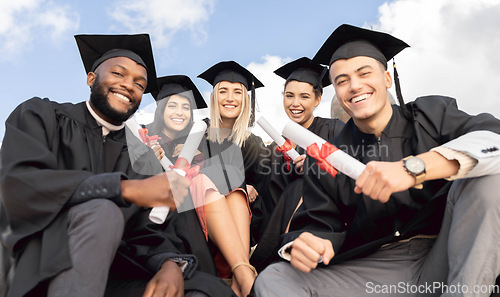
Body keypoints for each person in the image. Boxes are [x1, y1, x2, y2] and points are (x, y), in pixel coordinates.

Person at [254, 24, 500, 297]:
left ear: (386, 78)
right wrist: (308, 243)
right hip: (376, 270)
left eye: (364, 73)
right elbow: (318, 223)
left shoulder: (431, 116)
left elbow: (494, 140)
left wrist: (414, 168)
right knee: (276, 278)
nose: (355, 86)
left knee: (491, 178)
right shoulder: (328, 156)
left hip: (451, 248)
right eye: (342, 80)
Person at [0, 34, 234, 297]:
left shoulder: (141, 156)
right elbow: (21, 183)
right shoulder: (42, 116)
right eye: (118, 74)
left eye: (139, 83)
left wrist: (169, 263)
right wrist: (123, 189)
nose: (128, 86)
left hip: (116, 270)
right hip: (41, 261)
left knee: (206, 289)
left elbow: (148, 228)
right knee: (104, 212)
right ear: (91, 78)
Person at [250, 57, 344, 271]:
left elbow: (349, 168)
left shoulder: (333, 130)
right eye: (289, 95)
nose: (295, 103)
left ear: (317, 100)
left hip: (319, 226)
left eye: (304, 97)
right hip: (273, 224)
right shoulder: (275, 146)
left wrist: (317, 163)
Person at [197, 61, 270, 297]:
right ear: (214, 97)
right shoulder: (198, 134)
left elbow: (266, 182)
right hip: (204, 218)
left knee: (237, 192)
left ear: (246, 99)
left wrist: (251, 187)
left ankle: (240, 276)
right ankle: (245, 276)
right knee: (230, 187)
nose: (230, 98)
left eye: (238, 91)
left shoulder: (253, 143)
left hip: (245, 215)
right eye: (223, 91)